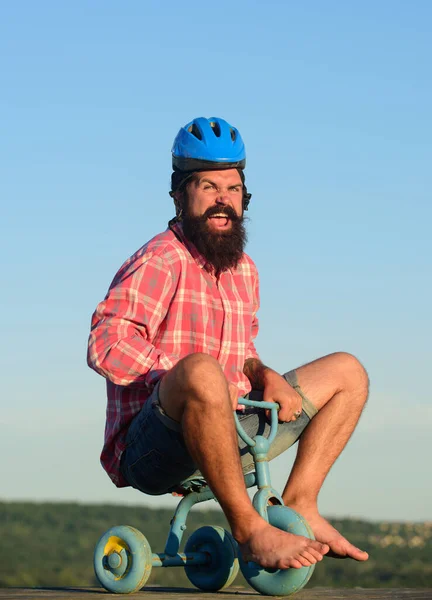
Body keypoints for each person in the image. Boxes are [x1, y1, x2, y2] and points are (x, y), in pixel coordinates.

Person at [87, 116, 369, 570]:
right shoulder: (161, 258)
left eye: (233, 189)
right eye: (208, 187)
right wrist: (187, 379)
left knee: (348, 372)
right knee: (200, 369)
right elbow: (105, 341)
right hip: (154, 447)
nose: (223, 200)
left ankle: (300, 503)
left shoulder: (245, 270)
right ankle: (249, 529)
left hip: (229, 433)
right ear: (180, 195)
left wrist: (261, 374)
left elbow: (243, 356)